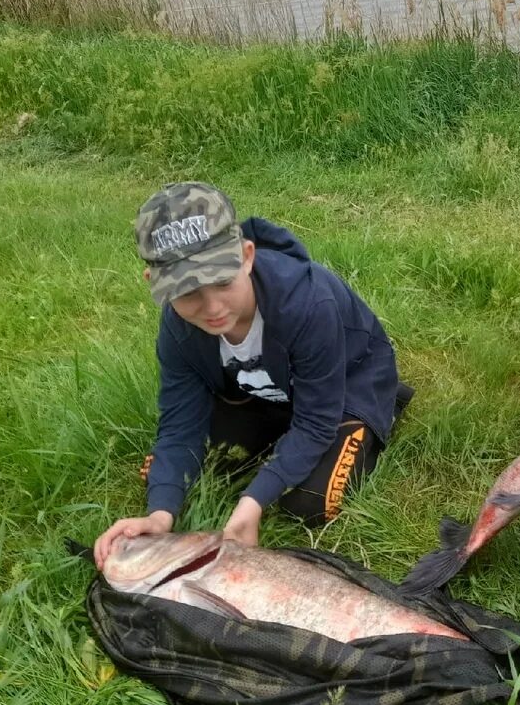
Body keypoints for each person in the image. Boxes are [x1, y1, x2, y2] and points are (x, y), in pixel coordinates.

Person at [94, 182, 408, 568]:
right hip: (263, 391)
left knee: (310, 502)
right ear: (156, 286)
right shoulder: (177, 326)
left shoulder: (307, 302)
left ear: (246, 256)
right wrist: (160, 515)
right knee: (169, 474)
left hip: (345, 387)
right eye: (188, 292)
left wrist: (254, 501)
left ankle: (383, 408)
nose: (212, 308)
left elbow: (315, 421)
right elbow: (179, 423)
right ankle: (273, 435)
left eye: (223, 281)